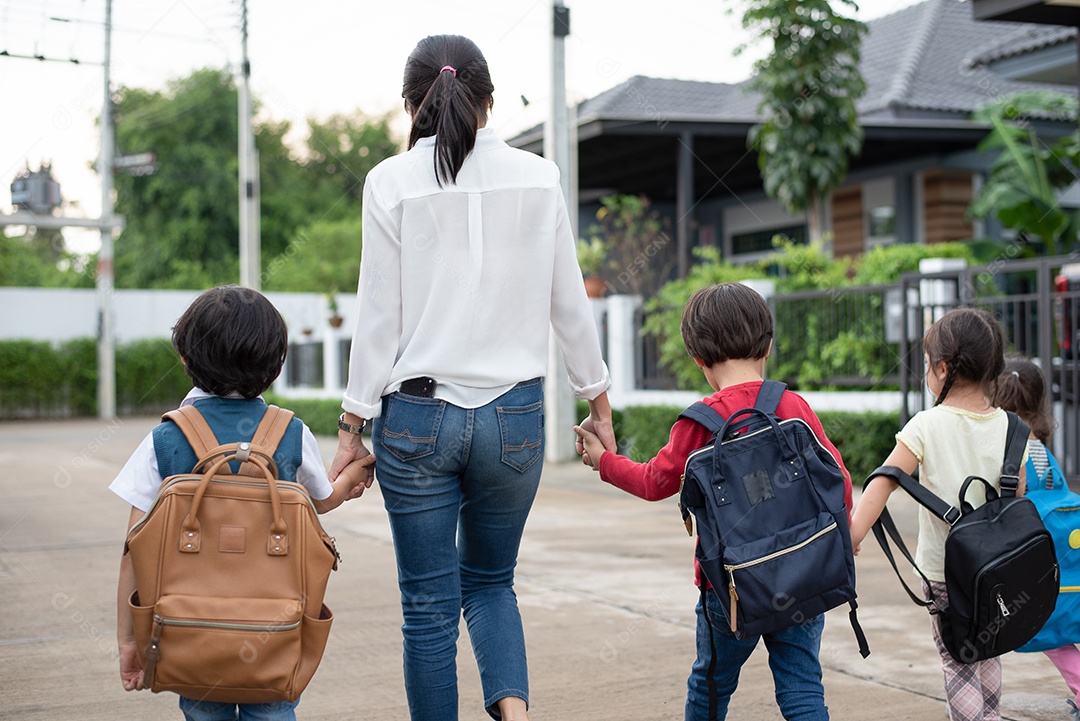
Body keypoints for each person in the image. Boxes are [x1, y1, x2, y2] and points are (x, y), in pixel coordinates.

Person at [328, 35, 614, 721]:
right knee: (492, 583)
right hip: (514, 419)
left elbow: (377, 317)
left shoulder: (389, 183)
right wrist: (598, 403)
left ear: (410, 105)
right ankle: (514, 713)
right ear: (489, 100)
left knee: (428, 608)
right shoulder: (539, 176)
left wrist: (350, 426)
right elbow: (569, 302)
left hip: (418, 421)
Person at [575, 282, 852, 721]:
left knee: (711, 685)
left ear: (697, 357)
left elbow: (653, 481)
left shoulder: (699, 422)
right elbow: (839, 480)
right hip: (802, 577)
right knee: (802, 688)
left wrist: (603, 460)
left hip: (730, 589)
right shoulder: (792, 404)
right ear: (769, 344)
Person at [111, 285, 372, 721]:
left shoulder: (164, 438)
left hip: (190, 634)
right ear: (277, 364)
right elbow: (322, 502)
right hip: (275, 632)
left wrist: (129, 640)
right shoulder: (290, 431)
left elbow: (132, 550)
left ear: (186, 359)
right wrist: (353, 475)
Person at [850, 307, 1025, 721]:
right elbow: (1017, 494)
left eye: (926, 365)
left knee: (957, 662)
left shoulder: (925, 426)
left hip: (946, 574)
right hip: (997, 570)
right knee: (988, 651)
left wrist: (852, 535)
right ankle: (991, 715)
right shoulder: (1012, 427)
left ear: (943, 369)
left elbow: (883, 480)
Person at [994, 358, 1080, 719]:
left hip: (1041, 566)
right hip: (1067, 560)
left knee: (1054, 636)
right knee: (1067, 628)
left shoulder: (1009, 451)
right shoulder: (1043, 452)